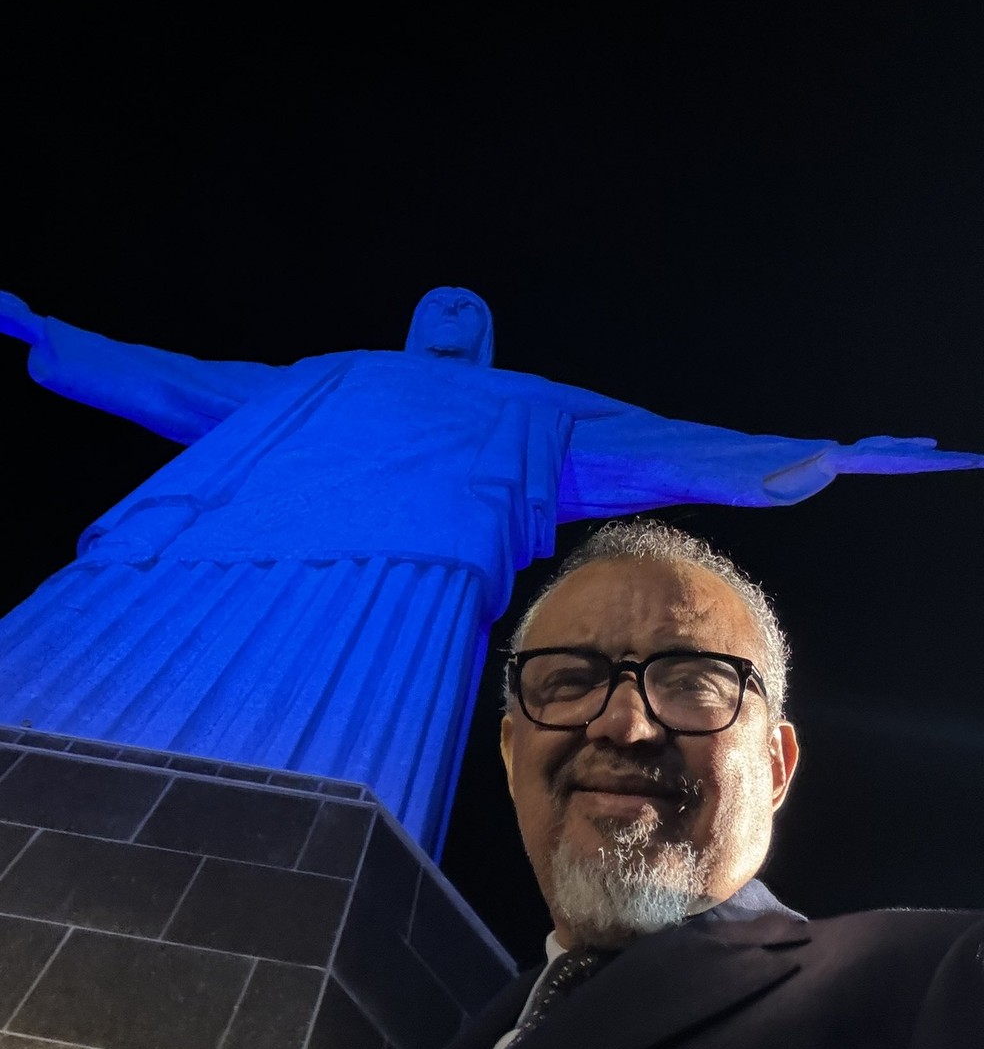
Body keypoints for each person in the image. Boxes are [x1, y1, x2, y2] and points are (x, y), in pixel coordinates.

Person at [68, 519, 984, 1049]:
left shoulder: (940, 982)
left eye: (694, 682)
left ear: (777, 766)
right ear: (511, 751)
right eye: (570, 679)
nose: (623, 725)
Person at [0, 287, 981, 855]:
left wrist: (826, 452)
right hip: (201, 557)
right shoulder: (331, 373)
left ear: (487, 340)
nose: (452, 314)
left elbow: (664, 443)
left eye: (470, 310)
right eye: (438, 304)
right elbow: (182, 379)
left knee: (326, 775)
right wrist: (46, 333)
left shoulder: (525, 400)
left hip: (400, 584)